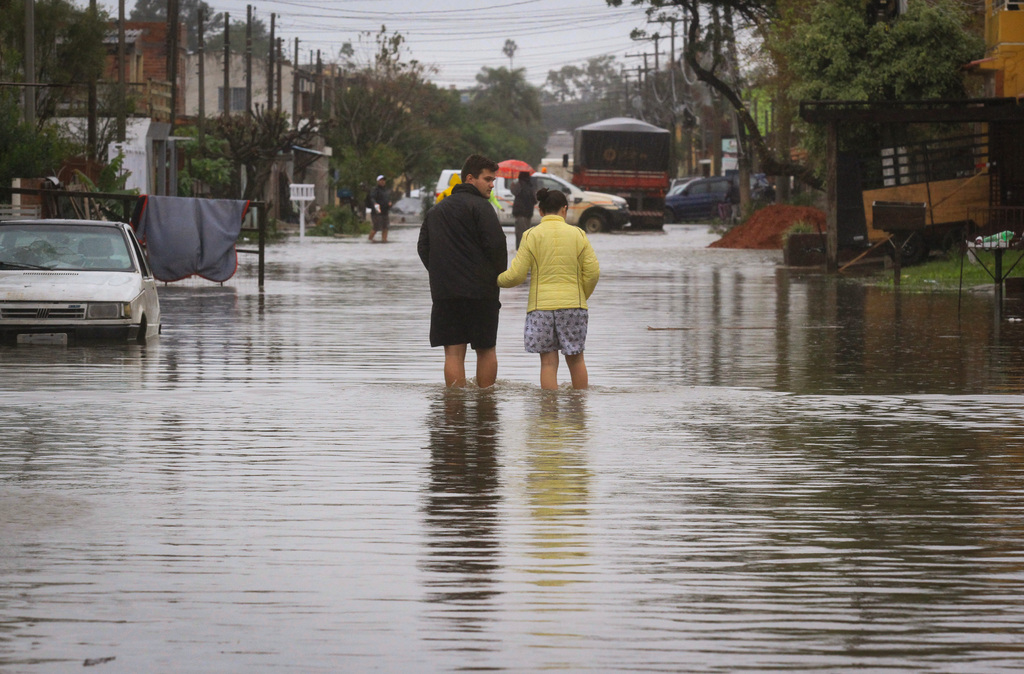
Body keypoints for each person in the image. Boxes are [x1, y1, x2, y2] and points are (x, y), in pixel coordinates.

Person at [418, 154, 507, 388]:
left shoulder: (436, 211)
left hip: (445, 293)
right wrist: (496, 277)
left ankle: (454, 409)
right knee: (486, 350)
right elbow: (497, 246)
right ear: (470, 178)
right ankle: (485, 406)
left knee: (453, 353)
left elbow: (423, 247)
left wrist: (441, 273)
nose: (491, 184)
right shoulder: (482, 208)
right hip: (481, 294)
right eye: (488, 179)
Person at [497, 187, 600, 390]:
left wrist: (495, 280)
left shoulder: (530, 235)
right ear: (565, 209)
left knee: (548, 363)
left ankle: (549, 413)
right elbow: (593, 273)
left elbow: (516, 275)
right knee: (577, 360)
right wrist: (581, 296)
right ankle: (579, 413)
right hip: (574, 306)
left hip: (540, 309)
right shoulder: (578, 234)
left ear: (540, 210)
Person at [510, 170, 537, 249]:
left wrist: (512, 186)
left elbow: (514, 192)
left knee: (520, 234)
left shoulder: (519, 185)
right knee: (527, 233)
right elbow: (534, 200)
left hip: (520, 213)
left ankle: (520, 250)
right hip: (528, 213)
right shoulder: (531, 185)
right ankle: (526, 249)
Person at [369, 174, 391, 242]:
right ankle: (370, 239)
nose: (383, 182)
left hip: (385, 211)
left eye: (384, 180)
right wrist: (375, 203)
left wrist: (389, 203)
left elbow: (387, 199)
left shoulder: (386, 190)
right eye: (381, 180)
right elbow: (372, 198)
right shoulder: (375, 189)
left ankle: (384, 240)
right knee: (376, 227)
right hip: (377, 212)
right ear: (378, 181)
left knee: (386, 227)